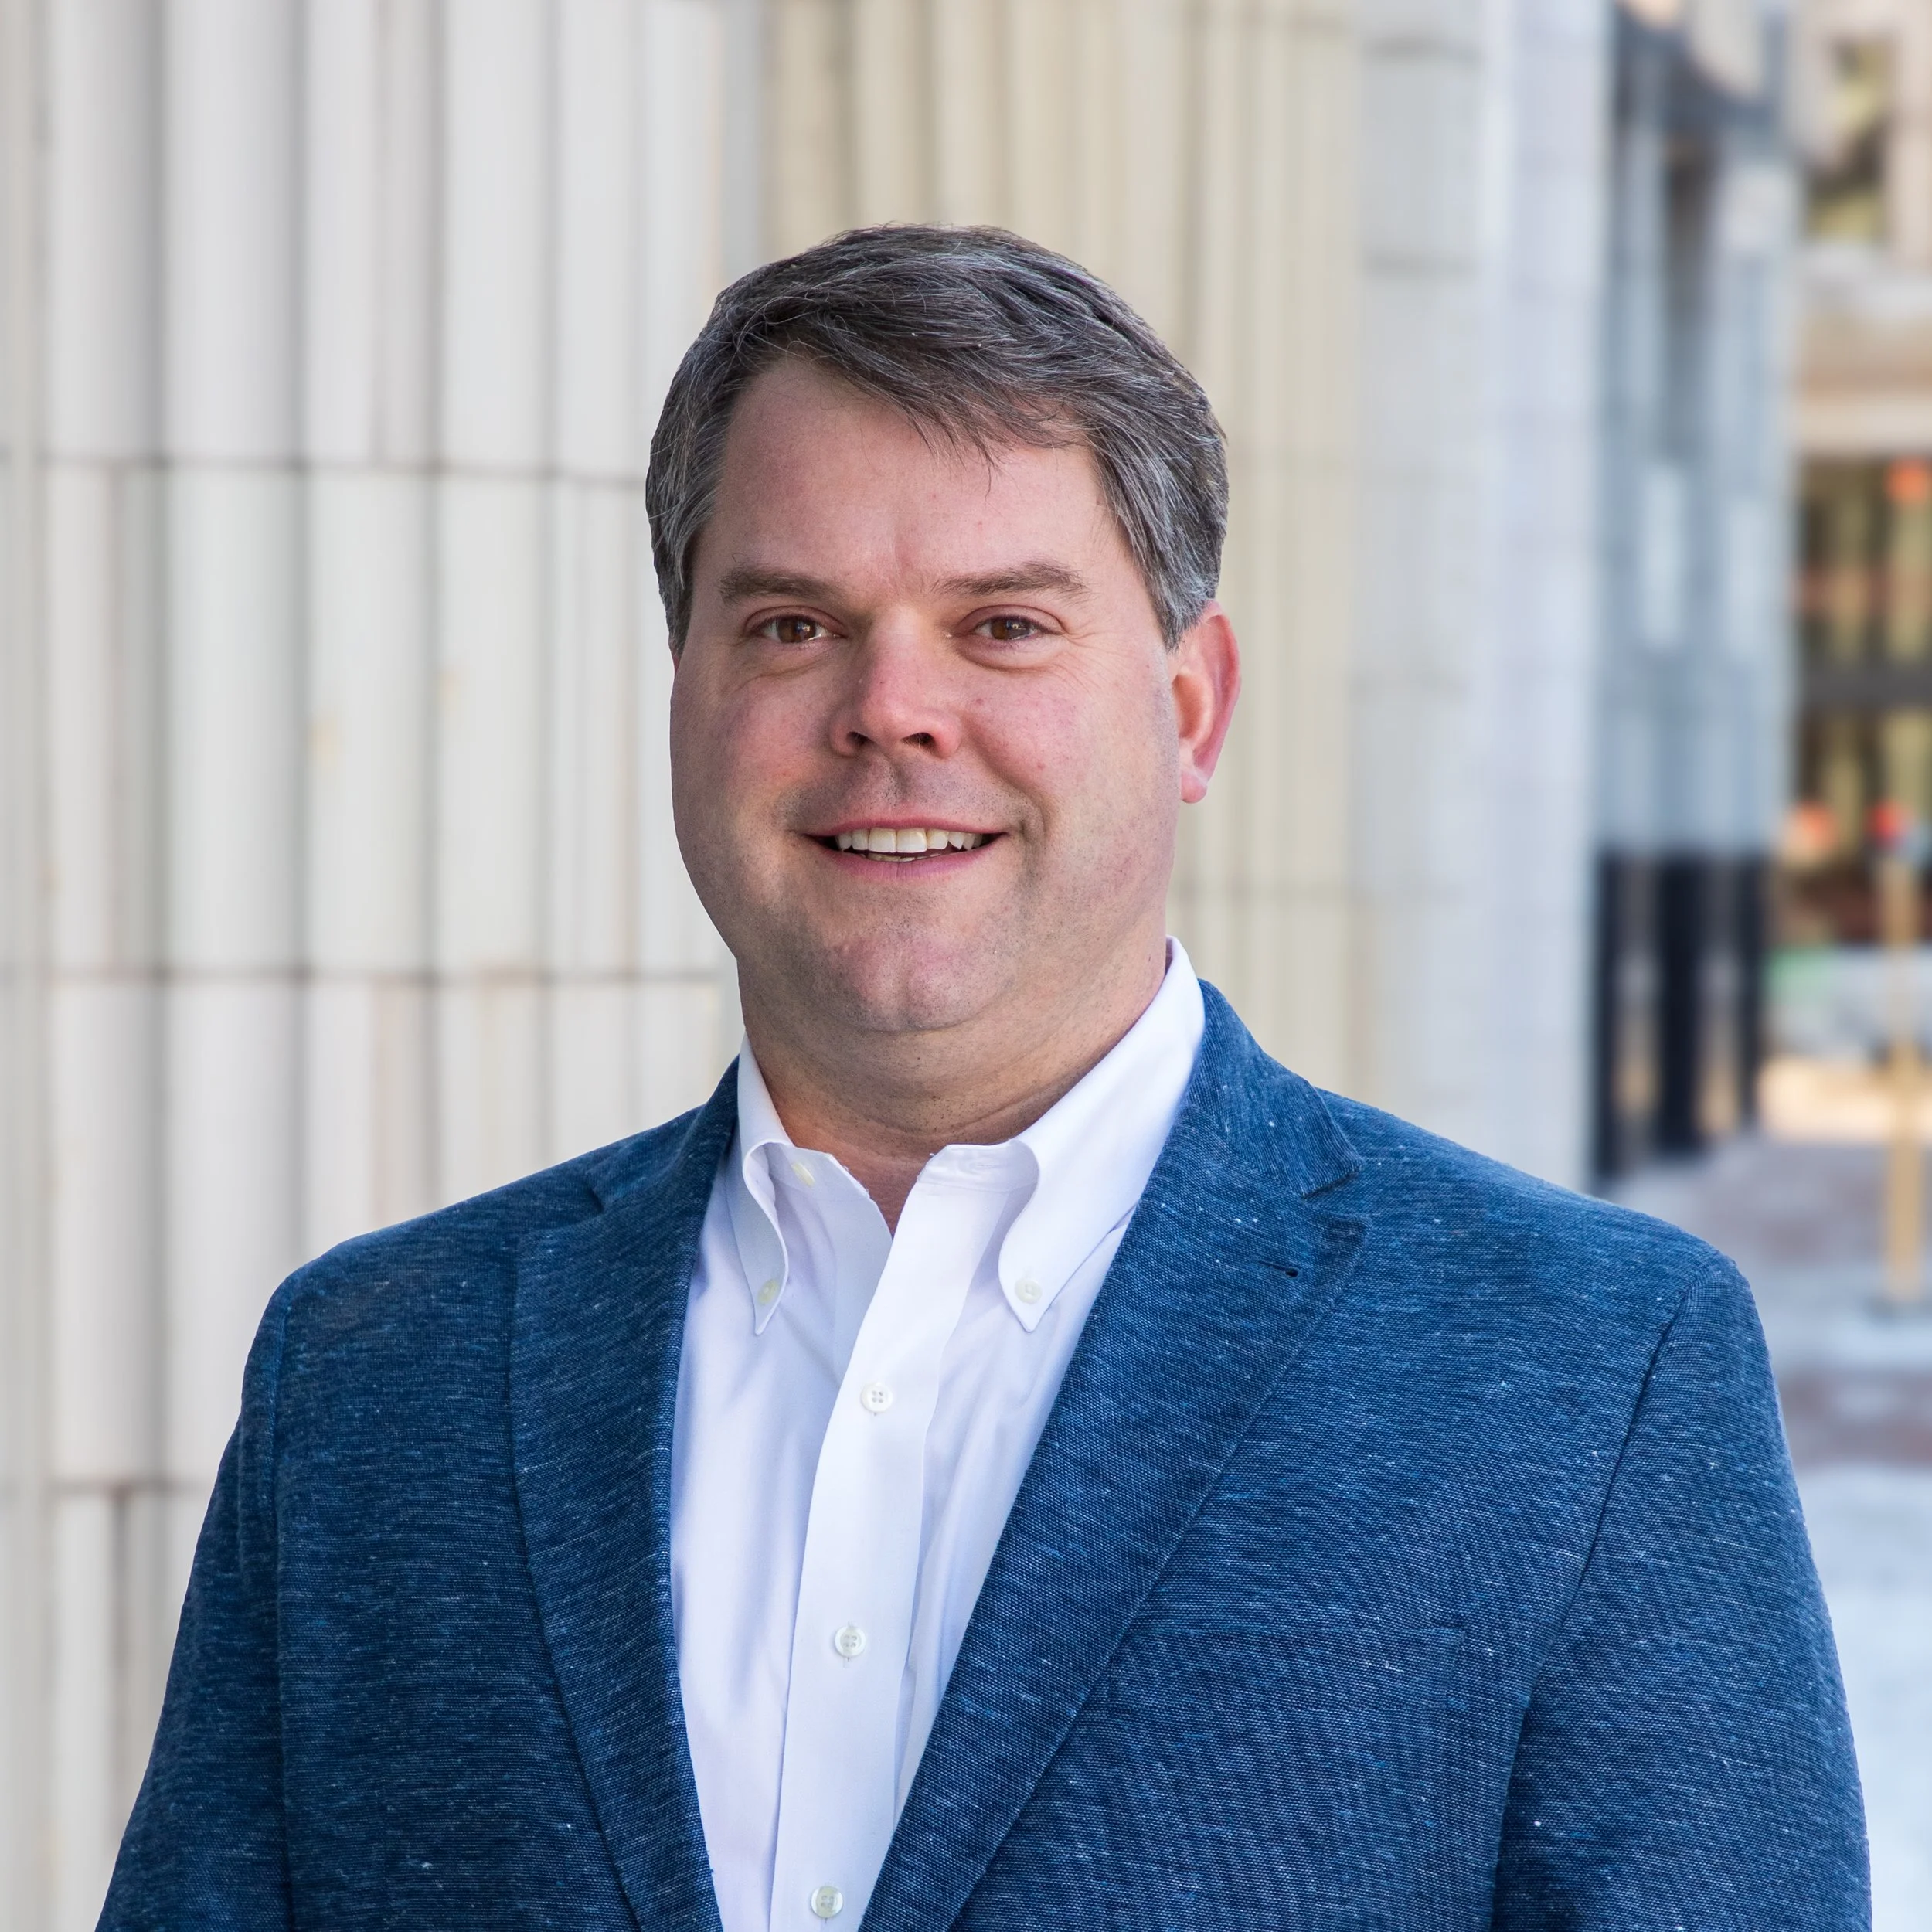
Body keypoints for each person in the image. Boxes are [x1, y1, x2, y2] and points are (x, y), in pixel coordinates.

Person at [102, 226, 1866, 1931]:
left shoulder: (1579, 1376)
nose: (891, 708)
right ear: (681, 692)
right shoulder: (374, 1381)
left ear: (1188, 705)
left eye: (1003, 626)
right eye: (792, 625)